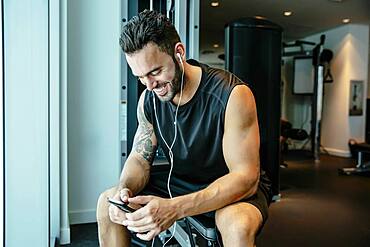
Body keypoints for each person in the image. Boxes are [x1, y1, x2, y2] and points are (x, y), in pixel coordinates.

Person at [97, 10, 272, 247]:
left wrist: (175, 208)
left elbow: (245, 178)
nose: (149, 85)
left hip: (230, 186)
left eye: (155, 72)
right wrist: (124, 190)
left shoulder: (232, 94)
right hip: (181, 180)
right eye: (140, 77)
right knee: (107, 202)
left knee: (237, 224)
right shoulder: (148, 99)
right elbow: (139, 158)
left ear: (178, 52)